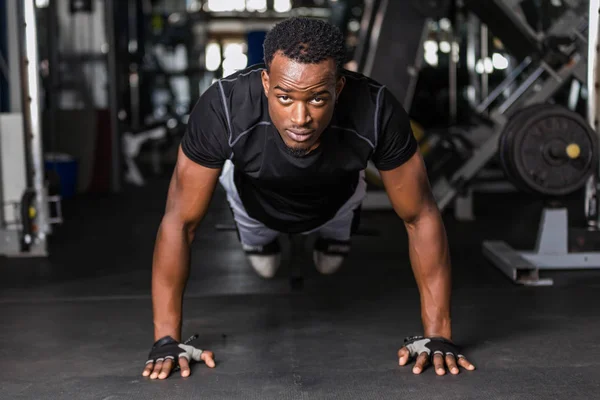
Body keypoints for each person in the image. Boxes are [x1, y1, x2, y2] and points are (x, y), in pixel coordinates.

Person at [142, 17, 476, 380]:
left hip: (336, 200)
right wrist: (165, 340)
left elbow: (420, 216)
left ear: (340, 86)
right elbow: (179, 221)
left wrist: (438, 335)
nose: (300, 118)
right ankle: (260, 242)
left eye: (318, 98)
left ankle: (334, 235)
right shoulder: (223, 106)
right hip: (255, 203)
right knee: (265, 268)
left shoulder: (376, 109)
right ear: (265, 81)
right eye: (284, 98)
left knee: (329, 264)